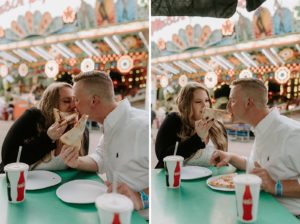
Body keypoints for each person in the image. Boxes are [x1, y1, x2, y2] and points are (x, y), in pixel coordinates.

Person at [59, 71, 149, 212]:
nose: (73, 106)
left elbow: (164, 178)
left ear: (93, 101)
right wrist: (76, 161)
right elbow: (100, 158)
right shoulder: (110, 123)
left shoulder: (142, 127)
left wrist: (140, 197)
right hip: (112, 208)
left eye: (76, 99)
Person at [210, 78, 300, 217]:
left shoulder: (292, 133)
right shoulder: (263, 127)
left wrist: (275, 186)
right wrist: (231, 157)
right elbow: (263, 167)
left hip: (288, 216)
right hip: (262, 208)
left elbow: (270, 180)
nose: (228, 107)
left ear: (248, 102)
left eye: (232, 100)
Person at [0, 82, 89, 173]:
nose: (74, 105)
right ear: (51, 104)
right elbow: (8, 158)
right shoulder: (33, 117)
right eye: (66, 101)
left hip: (59, 185)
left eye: (75, 100)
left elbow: (80, 167)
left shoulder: (80, 128)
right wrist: (48, 138)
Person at [155, 81, 228, 168]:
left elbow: (224, 161)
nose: (205, 105)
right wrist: (198, 138)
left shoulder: (218, 127)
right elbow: (162, 156)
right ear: (186, 105)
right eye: (198, 102)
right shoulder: (174, 120)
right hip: (178, 180)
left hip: (211, 180)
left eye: (207, 100)